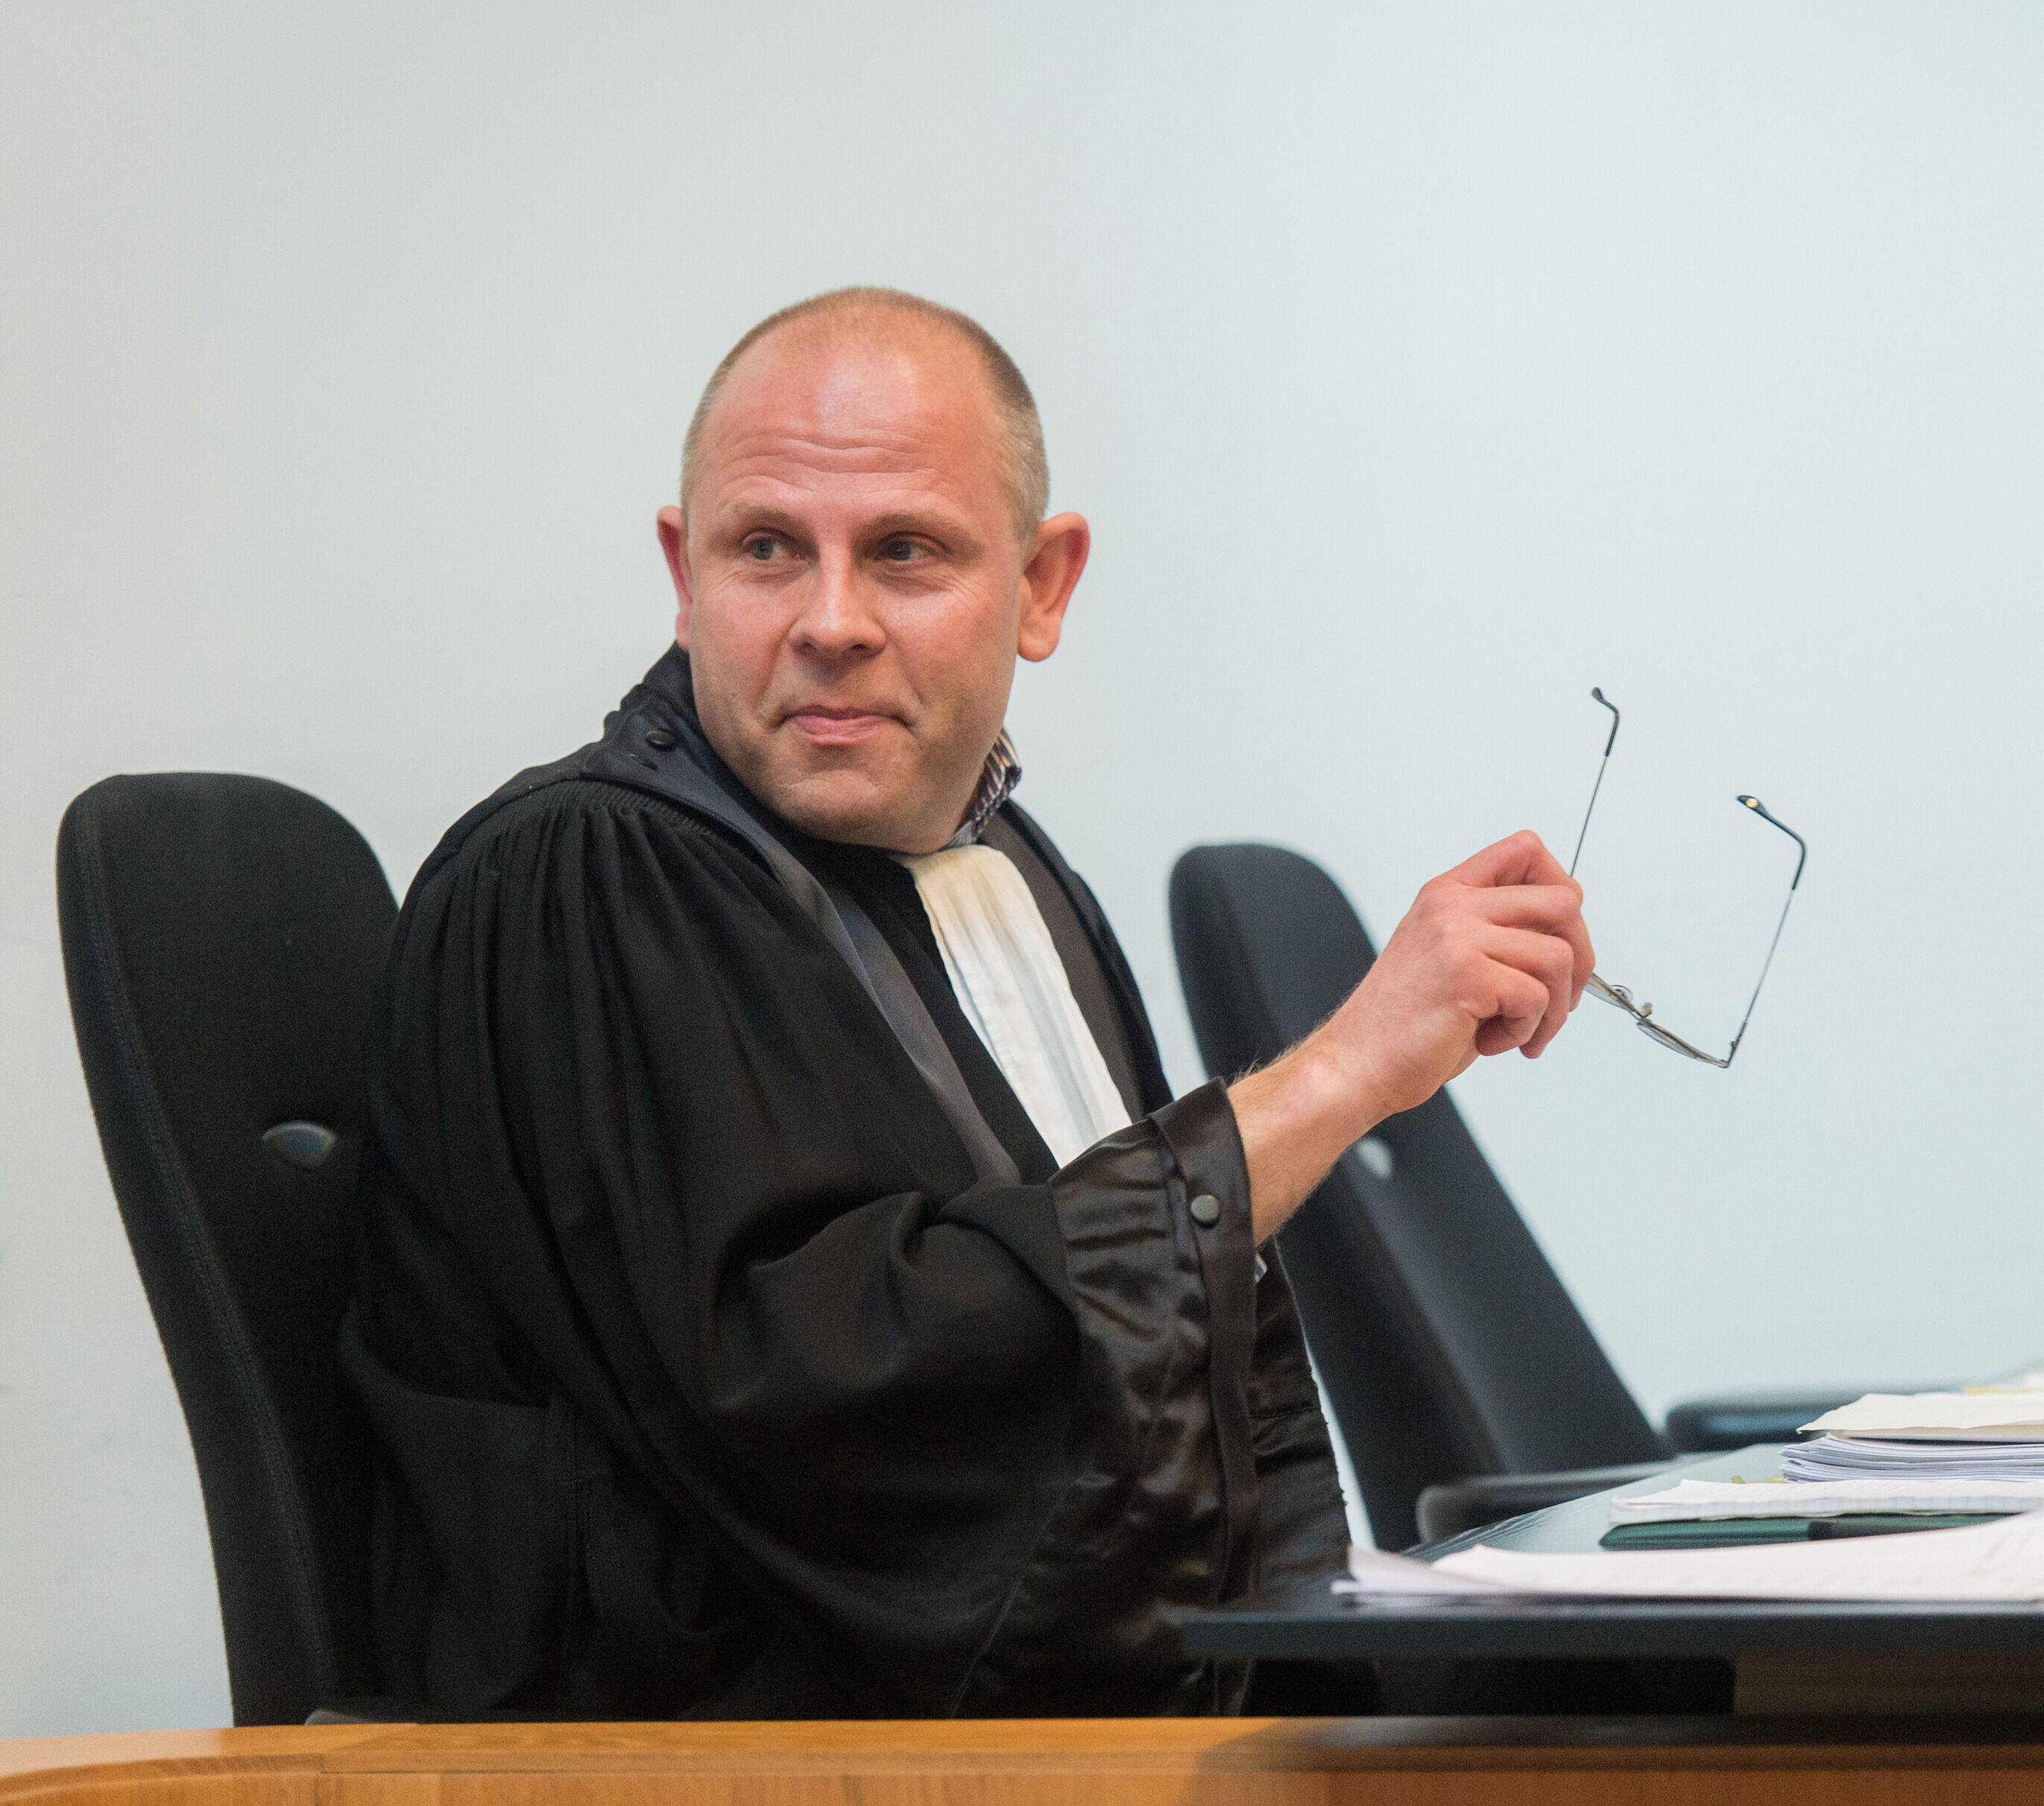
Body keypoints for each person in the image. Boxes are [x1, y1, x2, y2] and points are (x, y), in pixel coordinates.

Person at [341, 287, 1595, 1718]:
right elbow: (845, 1421)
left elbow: (1157, 1397)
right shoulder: (585, 880)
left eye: (905, 552)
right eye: (767, 549)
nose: (831, 623)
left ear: (1042, 587)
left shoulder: (1005, 874)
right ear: (685, 578)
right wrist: (1340, 1074)